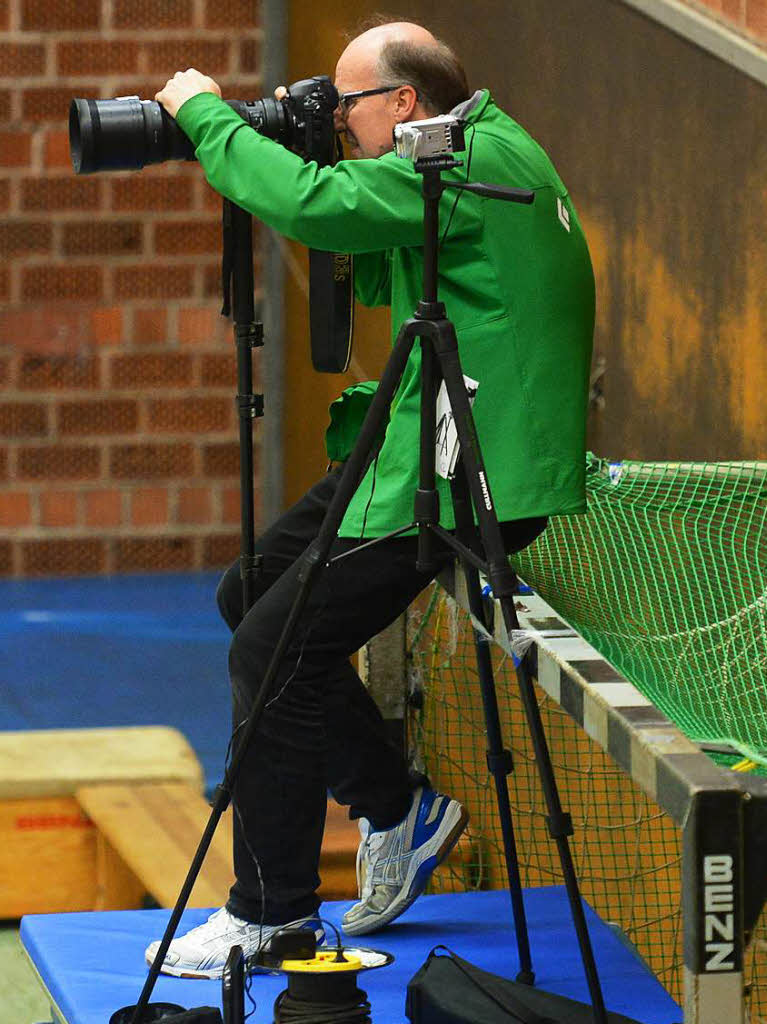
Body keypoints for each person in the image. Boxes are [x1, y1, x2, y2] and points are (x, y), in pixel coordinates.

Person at [146, 19, 595, 978]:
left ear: (403, 104)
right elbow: (367, 225)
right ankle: (399, 805)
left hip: (470, 475)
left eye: (346, 103)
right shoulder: (483, 144)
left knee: (273, 648)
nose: (337, 120)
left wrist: (209, 124)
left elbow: (312, 210)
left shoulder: (464, 166)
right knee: (252, 591)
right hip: (418, 448)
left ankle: (271, 916)